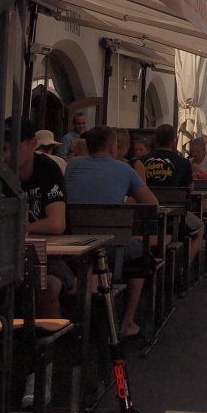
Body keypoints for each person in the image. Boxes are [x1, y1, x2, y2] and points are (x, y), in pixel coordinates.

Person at [4, 117, 74, 408]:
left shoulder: (47, 169)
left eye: (11, 147)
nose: (5, 154)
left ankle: (40, 371)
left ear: (32, 144)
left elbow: (56, 224)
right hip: (3, 257)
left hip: (52, 256)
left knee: (46, 286)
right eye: (1, 147)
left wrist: (16, 228)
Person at [64, 126, 159, 339]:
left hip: (74, 245)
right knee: (142, 255)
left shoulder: (72, 165)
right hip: (110, 247)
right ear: (112, 147)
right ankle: (127, 322)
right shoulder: (124, 169)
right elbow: (152, 206)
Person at [142, 124, 204, 270]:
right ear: (174, 141)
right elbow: (190, 189)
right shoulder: (182, 162)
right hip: (174, 219)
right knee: (200, 227)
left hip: (146, 217)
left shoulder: (142, 161)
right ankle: (184, 266)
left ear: (156, 140)